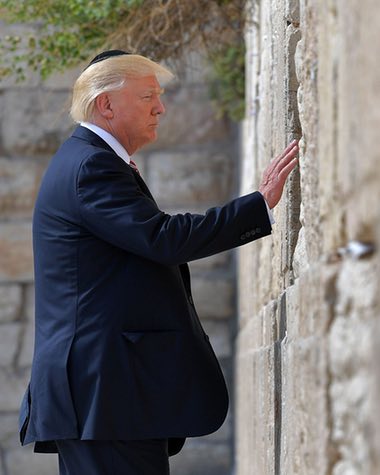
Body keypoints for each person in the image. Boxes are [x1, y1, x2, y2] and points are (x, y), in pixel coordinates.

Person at [19, 50, 299, 475]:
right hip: (104, 396)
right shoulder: (90, 166)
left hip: (109, 399)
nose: (161, 107)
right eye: (148, 95)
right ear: (106, 104)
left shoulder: (90, 160)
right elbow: (161, 238)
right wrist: (257, 207)